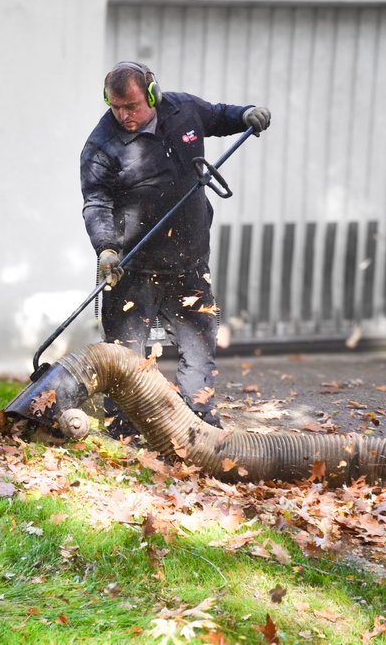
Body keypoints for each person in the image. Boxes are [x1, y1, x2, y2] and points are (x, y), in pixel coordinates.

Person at [80, 61, 271, 432]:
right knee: (124, 354)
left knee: (199, 348)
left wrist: (246, 114)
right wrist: (105, 249)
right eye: (116, 107)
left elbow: (218, 117)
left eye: (132, 106)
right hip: (133, 266)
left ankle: (199, 424)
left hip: (189, 260)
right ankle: (124, 431)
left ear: (152, 94)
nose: (124, 116)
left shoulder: (184, 110)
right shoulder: (101, 145)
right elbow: (96, 202)